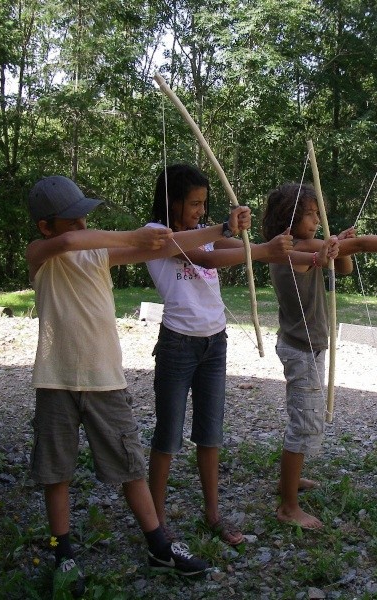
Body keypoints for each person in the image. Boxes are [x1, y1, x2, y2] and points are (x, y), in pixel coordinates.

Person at [25, 175, 249, 595]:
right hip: (55, 379)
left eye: (84, 218)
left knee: (129, 465)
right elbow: (72, 244)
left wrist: (222, 229)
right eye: (73, 220)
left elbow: (165, 246)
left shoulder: (97, 254)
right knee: (56, 471)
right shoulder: (41, 252)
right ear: (45, 227)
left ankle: (158, 545)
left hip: (105, 378)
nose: (82, 226)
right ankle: (63, 551)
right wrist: (136, 234)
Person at [261, 183, 377, 529]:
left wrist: (336, 247)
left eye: (316, 212)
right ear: (289, 218)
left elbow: (343, 270)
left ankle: (289, 482)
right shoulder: (289, 248)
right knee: (304, 423)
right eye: (310, 213)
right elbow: (361, 245)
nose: (315, 219)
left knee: (304, 415)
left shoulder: (307, 247)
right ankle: (288, 506)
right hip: (300, 350)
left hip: (307, 346)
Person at [145, 164, 304, 546]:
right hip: (177, 343)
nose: (201, 210)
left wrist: (290, 253)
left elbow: (238, 250)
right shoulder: (154, 234)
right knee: (167, 436)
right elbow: (205, 257)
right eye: (194, 203)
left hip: (214, 341)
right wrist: (247, 239)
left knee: (210, 433)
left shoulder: (206, 232)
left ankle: (213, 513)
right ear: (171, 201)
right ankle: (156, 523)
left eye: (204, 203)